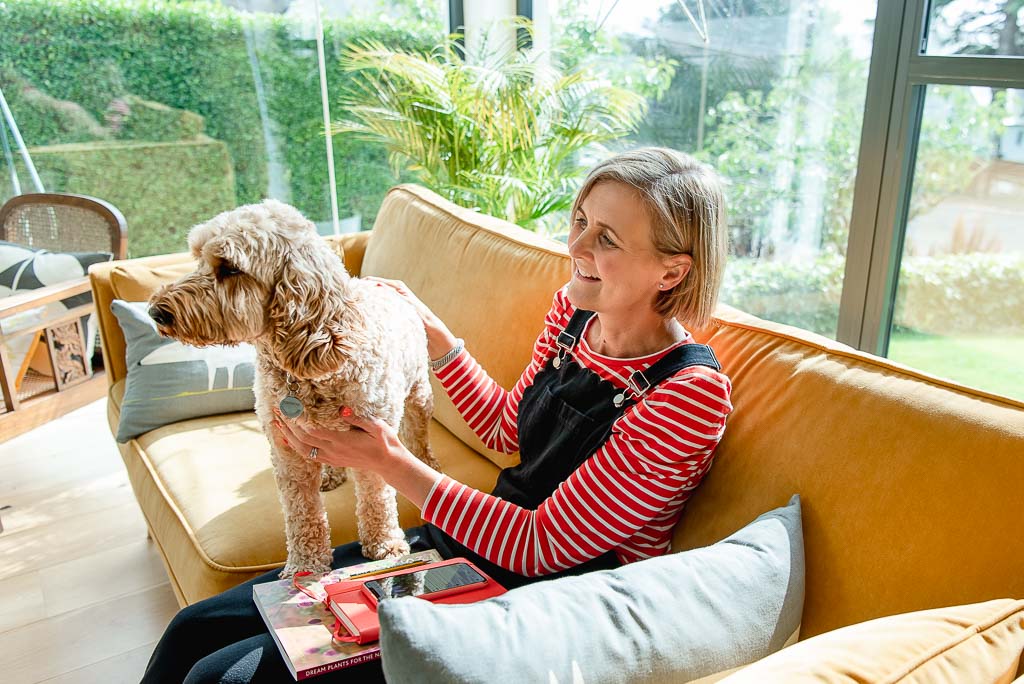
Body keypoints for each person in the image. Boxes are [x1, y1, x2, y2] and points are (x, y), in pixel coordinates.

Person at [142, 147, 733, 683]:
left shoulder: (687, 394)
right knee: (192, 631)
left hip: (543, 605)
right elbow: (508, 429)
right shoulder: (576, 315)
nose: (576, 247)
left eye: (607, 239)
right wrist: (440, 341)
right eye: (580, 221)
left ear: (672, 271)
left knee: (219, 680)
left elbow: (540, 543)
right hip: (464, 552)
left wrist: (387, 461)